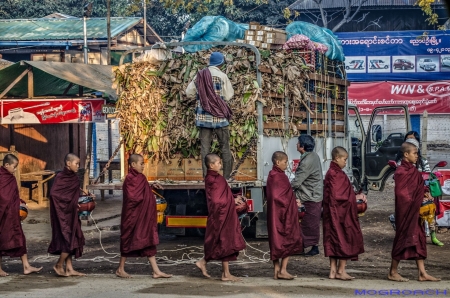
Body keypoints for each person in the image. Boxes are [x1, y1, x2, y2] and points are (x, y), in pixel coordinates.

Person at [388, 142, 440, 282]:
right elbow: (402, 194)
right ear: (406, 154)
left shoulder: (414, 171)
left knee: (418, 239)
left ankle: (422, 273)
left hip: (415, 211)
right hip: (406, 212)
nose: (417, 156)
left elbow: (418, 188)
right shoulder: (400, 172)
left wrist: (425, 194)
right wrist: (417, 200)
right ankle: (392, 272)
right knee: (403, 239)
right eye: (414, 153)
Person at [116, 154, 172, 279]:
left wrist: (150, 187)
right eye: (141, 163)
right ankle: (120, 269)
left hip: (143, 216)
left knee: (148, 240)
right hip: (132, 216)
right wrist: (146, 194)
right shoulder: (130, 178)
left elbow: (142, 191)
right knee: (128, 238)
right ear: (133, 165)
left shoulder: (141, 178)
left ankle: (156, 271)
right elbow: (133, 197)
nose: (143, 166)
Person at [196, 153, 246, 281]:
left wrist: (234, 198)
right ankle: (209, 264)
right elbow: (217, 200)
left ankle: (223, 272)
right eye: (218, 163)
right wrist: (231, 201)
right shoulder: (211, 179)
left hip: (224, 214)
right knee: (222, 241)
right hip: (219, 215)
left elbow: (224, 195)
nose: (220, 165)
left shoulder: (218, 177)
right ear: (211, 165)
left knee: (225, 241)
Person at [186, 52, 234, 179]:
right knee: (225, 147)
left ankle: (206, 177)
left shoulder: (200, 75)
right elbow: (228, 96)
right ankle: (227, 177)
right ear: (221, 63)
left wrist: (202, 97)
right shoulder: (222, 76)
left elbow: (189, 93)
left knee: (205, 149)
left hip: (203, 118)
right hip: (220, 117)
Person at [323, 147, 366, 280]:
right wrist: (356, 198)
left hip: (331, 214)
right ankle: (341, 271)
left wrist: (353, 196)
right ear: (337, 158)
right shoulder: (336, 174)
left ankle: (332, 271)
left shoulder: (331, 173)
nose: (345, 162)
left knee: (334, 240)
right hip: (341, 214)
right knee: (344, 238)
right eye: (344, 159)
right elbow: (339, 195)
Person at [393, 132, 442, 246]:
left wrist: (426, 191)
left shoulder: (422, 160)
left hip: (422, 189)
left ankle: (433, 236)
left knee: (430, 212)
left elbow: (428, 175)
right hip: (409, 193)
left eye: (413, 140)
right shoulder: (401, 162)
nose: (410, 141)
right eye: (408, 139)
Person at [0, 154, 42, 277]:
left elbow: (12, 196)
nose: (15, 169)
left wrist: (19, 202)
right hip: (3, 215)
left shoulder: (11, 178)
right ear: (6, 165)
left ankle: (26, 266)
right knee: (1, 240)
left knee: (20, 239)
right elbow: (3, 197)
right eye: (14, 167)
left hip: (12, 216)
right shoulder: (2, 177)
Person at [266, 151, 303, 280]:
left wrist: (292, 199)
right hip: (283, 214)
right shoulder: (278, 176)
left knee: (276, 240)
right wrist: (292, 201)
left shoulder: (272, 175)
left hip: (274, 213)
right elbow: (278, 196)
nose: (287, 165)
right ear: (278, 162)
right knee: (288, 239)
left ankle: (277, 271)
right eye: (285, 162)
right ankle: (283, 270)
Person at [48, 153, 86, 277]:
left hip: (72, 213)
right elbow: (54, 194)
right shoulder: (61, 177)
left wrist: (84, 198)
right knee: (70, 239)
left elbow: (74, 194)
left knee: (71, 237)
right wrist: (70, 203)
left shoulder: (74, 178)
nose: (78, 166)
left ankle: (69, 268)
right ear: (68, 164)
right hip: (62, 213)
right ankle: (58, 265)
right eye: (76, 163)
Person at [291, 134, 323, 256]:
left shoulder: (307, 161)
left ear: (302, 146)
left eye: (298, 143)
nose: (296, 145)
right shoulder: (313, 156)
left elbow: (298, 181)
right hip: (312, 193)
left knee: (307, 223)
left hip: (309, 195)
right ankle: (306, 246)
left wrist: (286, 189)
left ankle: (312, 247)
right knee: (311, 223)